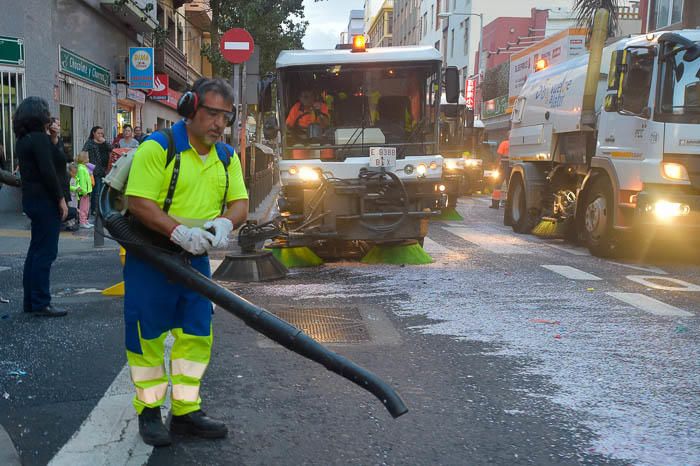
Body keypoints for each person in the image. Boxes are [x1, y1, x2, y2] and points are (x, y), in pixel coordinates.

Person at [124, 77, 248, 446]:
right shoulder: (158, 148)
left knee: (195, 336)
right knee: (147, 337)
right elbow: (138, 201)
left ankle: (185, 412)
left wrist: (226, 222)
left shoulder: (226, 157)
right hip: (151, 257)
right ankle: (149, 413)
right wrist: (178, 232)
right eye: (211, 113)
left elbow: (240, 202)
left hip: (195, 262)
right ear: (189, 108)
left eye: (224, 117)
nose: (217, 124)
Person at [14, 97, 68, 317]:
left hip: (32, 200)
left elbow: (56, 160)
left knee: (35, 251)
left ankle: (31, 301)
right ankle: (41, 302)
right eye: (46, 111)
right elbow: (50, 170)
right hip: (45, 201)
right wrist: (61, 199)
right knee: (45, 252)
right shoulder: (38, 139)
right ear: (39, 114)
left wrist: (54, 137)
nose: (48, 115)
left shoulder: (25, 139)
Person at [82, 126, 110, 217]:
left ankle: (102, 208)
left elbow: (112, 149)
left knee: (103, 190)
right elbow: (83, 153)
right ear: (93, 133)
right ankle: (94, 209)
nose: (100, 135)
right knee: (96, 191)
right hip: (94, 170)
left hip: (105, 170)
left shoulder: (104, 142)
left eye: (102, 133)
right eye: (98, 133)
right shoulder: (90, 143)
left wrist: (104, 142)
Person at [75, 151, 93, 229]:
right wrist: (84, 191)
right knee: (83, 208)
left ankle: (85, 221)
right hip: (84, 192)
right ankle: (82, 222)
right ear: (84, 159)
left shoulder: (83, 167)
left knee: (87, 207)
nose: (89, 159)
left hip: (87, 191)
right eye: (87, 157)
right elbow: (82, 181)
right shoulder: (81, 169)